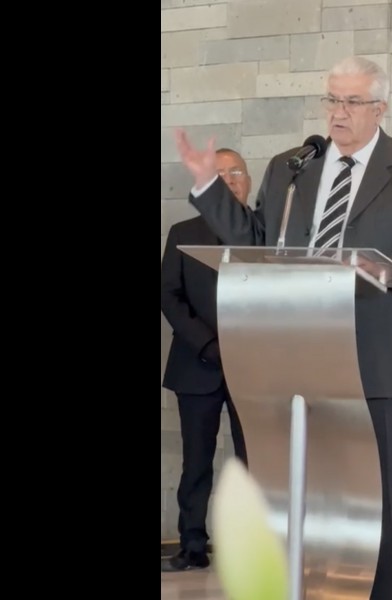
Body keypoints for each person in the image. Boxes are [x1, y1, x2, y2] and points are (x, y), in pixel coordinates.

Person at [174, 56, 392, 598]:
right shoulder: (293, 168)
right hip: (300, 352)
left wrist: (386, 268)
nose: (338, 112)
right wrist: (209, 186)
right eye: (332, 99)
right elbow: (259, 241)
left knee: (384, 498)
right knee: (308, 495)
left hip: (380, 353)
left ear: (380, 108)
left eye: (352, 102)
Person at [160, 148, 252, 572]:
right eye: (220, 174)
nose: (230, 180)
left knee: (253, 464)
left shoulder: (268, 231)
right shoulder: (183, 232)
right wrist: (208, 344)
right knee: (196, 462)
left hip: (256, 369)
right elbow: (169, 296)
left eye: (237, 172)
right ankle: (192, 545)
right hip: (197, 364)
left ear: (248, 180)